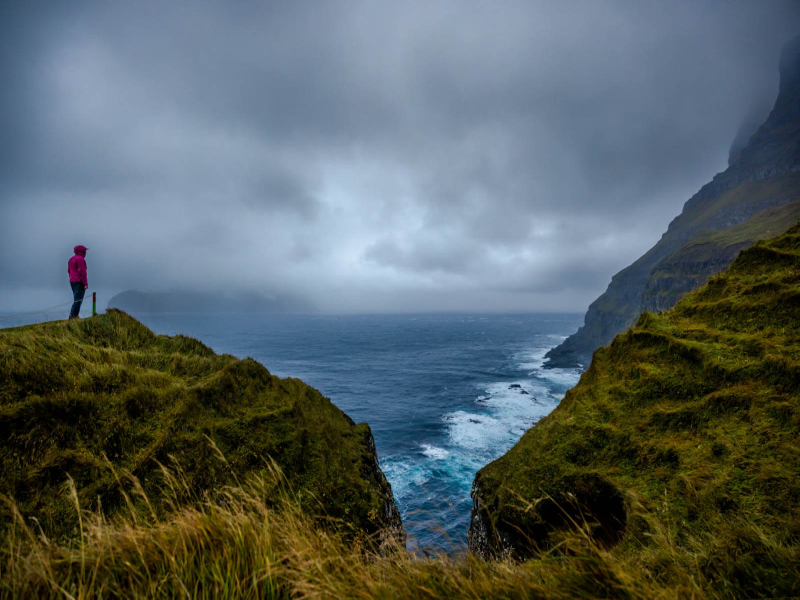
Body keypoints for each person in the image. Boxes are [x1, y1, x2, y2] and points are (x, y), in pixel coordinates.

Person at [68, 245, 88, 320]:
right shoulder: (81, 259)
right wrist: (85, 283)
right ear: (82, 252)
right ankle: (72, 317)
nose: (85, 253)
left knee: (76, 299)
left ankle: (75, 316)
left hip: (72, 281)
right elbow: (82, 272)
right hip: (79, 281)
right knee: (78, 300)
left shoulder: (71, 259)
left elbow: (69, 271)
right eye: (84, 251)